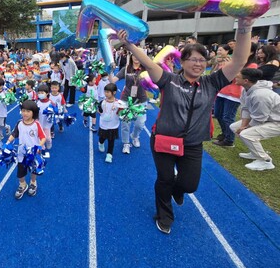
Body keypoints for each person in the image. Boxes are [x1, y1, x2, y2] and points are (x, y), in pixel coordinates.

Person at [116, 17, 253, 235]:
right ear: (184, 61)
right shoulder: (169, 80)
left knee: (189, 185)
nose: (198, 64)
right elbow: (150, 63)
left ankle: (177, 190)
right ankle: (164, 215)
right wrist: (129, 45)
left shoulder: (212, 82)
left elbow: (239, 61)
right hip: (164, 139)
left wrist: (245, 25)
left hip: (192, 144)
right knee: (165, 179)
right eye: (193, 59)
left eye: (202, 60)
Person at [230, 68, 280, 171]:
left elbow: (259, 119)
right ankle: (255, 153)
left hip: (276, 122)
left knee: (246, 134)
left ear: (246, 80)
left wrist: (244, 128)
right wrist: (243, 126)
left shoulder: (260, 95)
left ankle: (265, 161)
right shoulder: (246, 89)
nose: (235, 78)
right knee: (234, 127)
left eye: (238, 77)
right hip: (267, 119)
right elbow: (245, 108)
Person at [213, 43, 258, 147]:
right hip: (222, 91)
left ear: (251, 52)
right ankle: (225, 134)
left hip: (235, 94)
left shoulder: (252, 65)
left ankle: (229, 140)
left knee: (227, 117)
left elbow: (239, 78)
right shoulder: (232, 61)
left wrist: (230, 68)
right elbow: (220, 75)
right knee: (218, 114)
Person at [6, 100, 46, 199]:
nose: (25, 113)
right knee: (20, 171)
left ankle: (33, 182)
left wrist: (38, 147)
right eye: (23, 110)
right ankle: (23, 185)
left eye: (28, 111)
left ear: (34, 112)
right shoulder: (19, 123)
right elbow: (14, 134)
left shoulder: (36, 124)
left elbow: (43, 137)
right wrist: (7, 143)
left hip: (33, 153)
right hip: (21, 153)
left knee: (33, 170)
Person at [110, 51, 148, 154]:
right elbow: (113, 80)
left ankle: (135, 136)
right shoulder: (126, 69)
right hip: (126, 99)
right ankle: (126, 143)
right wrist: (110, 70)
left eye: (138, 55)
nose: (136, 57)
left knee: (140, 123)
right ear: (131, 57)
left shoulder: (147, 69)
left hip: (141, 100)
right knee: (125, 123)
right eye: (134, 55)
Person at [97, 83, 121, 163]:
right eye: (105, 92)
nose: (106, 94)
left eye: (108, 92)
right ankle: (101, 143)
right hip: (103, 124)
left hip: (113, 125)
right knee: (102, 137)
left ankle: (109, 154)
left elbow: (120, 113)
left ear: (114, 92)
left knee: (111, 140)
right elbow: (99, 111)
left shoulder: (118, 103)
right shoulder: (102, 102)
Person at [36, 84, 54, 156]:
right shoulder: (37, 102)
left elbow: (54, 111)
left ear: (47, 93)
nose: (40, 94)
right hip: (39, 122)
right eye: (39, 93)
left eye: (42, 93)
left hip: (47, 123)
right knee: (40, 137)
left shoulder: (50, 103)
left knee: (47, 137)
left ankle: (49, 142)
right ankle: (42, 147)